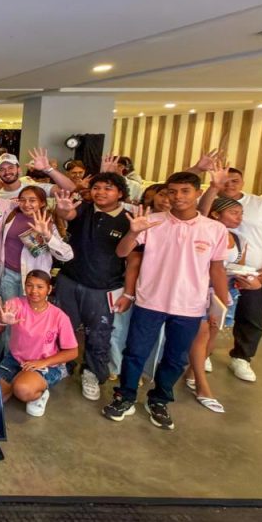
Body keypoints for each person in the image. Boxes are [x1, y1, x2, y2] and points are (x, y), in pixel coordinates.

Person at [103, 172, 230, 431]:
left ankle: (159, 400)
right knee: (135, 353)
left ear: (197, 193)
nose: (178, 197)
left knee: (175, 358)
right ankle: (125, 396)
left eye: (185, 191)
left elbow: (217, 269)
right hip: (151, 301)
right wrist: (133, 232)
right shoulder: (151, 222)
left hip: (190, 306)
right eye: (172, 191)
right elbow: (122, 252)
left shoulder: (214, 229)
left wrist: (221, 306)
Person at [53, 172, 137, 401]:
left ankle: (92, 373)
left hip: (103, 288)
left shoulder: (130, 219)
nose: (100, 192)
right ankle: (63, 365)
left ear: (120, 192)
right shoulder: (85, 207)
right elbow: (67, 213)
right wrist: (62, 209)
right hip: (69, 280)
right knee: (62, 327)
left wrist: (129, 293)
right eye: (96, 187)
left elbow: (131, 259)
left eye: (107, 188)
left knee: (99, 334)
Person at [184, 194, 258, 413]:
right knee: (203, 333)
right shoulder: (203, 232)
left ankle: (191, 373)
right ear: (216, 214)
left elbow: (239, 266)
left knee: (213, 333)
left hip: (226, 292)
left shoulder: (239, 239)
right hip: (202, 289)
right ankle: (201, 385)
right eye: (233, 213)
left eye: (241, 213)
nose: (239, 218)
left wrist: (246, 279)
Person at [217, 167, 262, 383]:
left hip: (253, 273)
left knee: (252, 316)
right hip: (215, 272)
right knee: (210, 317)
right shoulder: (208, 202)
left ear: (242, 181)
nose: (229, 185)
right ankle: (204, 354)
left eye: (235, 180)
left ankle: (242, 357)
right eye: (224, 181)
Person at [0, 270, 78, 417]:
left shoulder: (59, 316)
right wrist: (2, 318)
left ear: (49, 289)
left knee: (22, 389)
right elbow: (2, 314)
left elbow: (72, 352)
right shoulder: (17, 303)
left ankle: (40, 393)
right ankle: (17, 380)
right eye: (29, 285)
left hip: (43, 364)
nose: (34, 291)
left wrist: (43, 362)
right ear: (24, 286)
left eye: (40, 287)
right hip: (15, 359)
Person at [0, 186, 74, 302]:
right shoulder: (11, 215)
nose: (26, 204)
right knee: (10, 313)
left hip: (34, 278)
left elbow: (67, 256)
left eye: (32, 200)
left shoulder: (48, 222)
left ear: (42, 203)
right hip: (8, 275)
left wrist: (47, 236)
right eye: (22, 200)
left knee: (30, 315)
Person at [0, 149, 76, 200]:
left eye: (11, 167)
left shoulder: (35, 189)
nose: (7, 172)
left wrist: (48, 169)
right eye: (2, 169)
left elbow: (70, 188)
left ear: (19, 169)